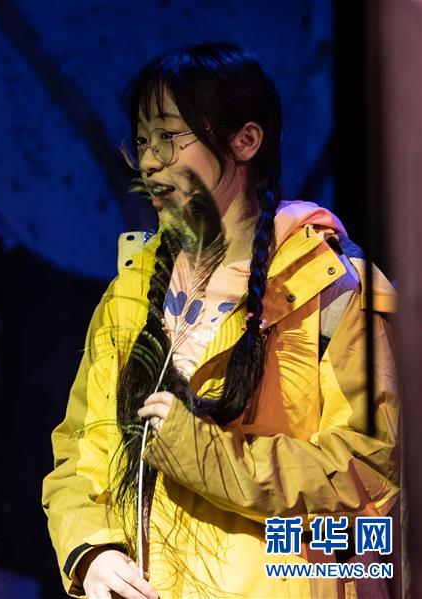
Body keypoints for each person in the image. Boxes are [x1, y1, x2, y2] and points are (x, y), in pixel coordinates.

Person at [42, 42, 399, 599]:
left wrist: (204, 455)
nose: (150, 161)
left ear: (245, 141)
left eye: (169, 136)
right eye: (142, 142)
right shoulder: (129, 293)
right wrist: (91, 550)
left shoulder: (333, 288)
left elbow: (374, 471)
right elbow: (80, 450)